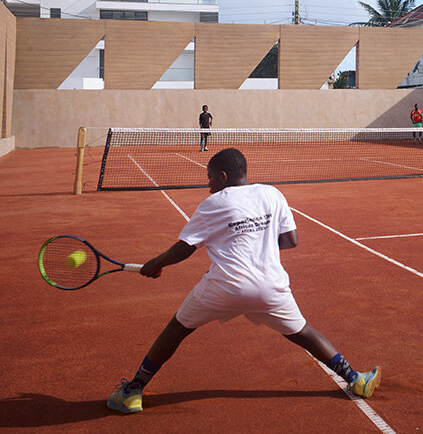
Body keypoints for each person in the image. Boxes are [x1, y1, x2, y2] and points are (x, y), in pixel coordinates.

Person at [106, 148, 381, 414]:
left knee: (175, 330)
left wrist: (156, 264)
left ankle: (133, 392)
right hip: (270, 288)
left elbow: (185, 247)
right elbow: (290, 240)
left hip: (224, 287)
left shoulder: (213, 202)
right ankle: (355, 379)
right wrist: (257, 240)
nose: (209, 185)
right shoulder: (272, 194)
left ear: (223, 176)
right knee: (304, 333)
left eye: (210, 177)